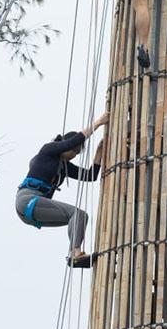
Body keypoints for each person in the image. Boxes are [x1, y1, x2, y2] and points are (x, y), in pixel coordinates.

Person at [15, 111, 110, 268]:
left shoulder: (64, 166)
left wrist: (100, 152)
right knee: (77, 214)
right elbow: (75, 140)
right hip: (28, 200)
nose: (73, 155)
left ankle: (75, 254)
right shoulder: (49, 150)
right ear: (66, 144)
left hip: (30, 213)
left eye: (77, 153)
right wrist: (98, 123)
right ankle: (76, 253)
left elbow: (90, 175)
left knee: (79, 218)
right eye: (73, 150)